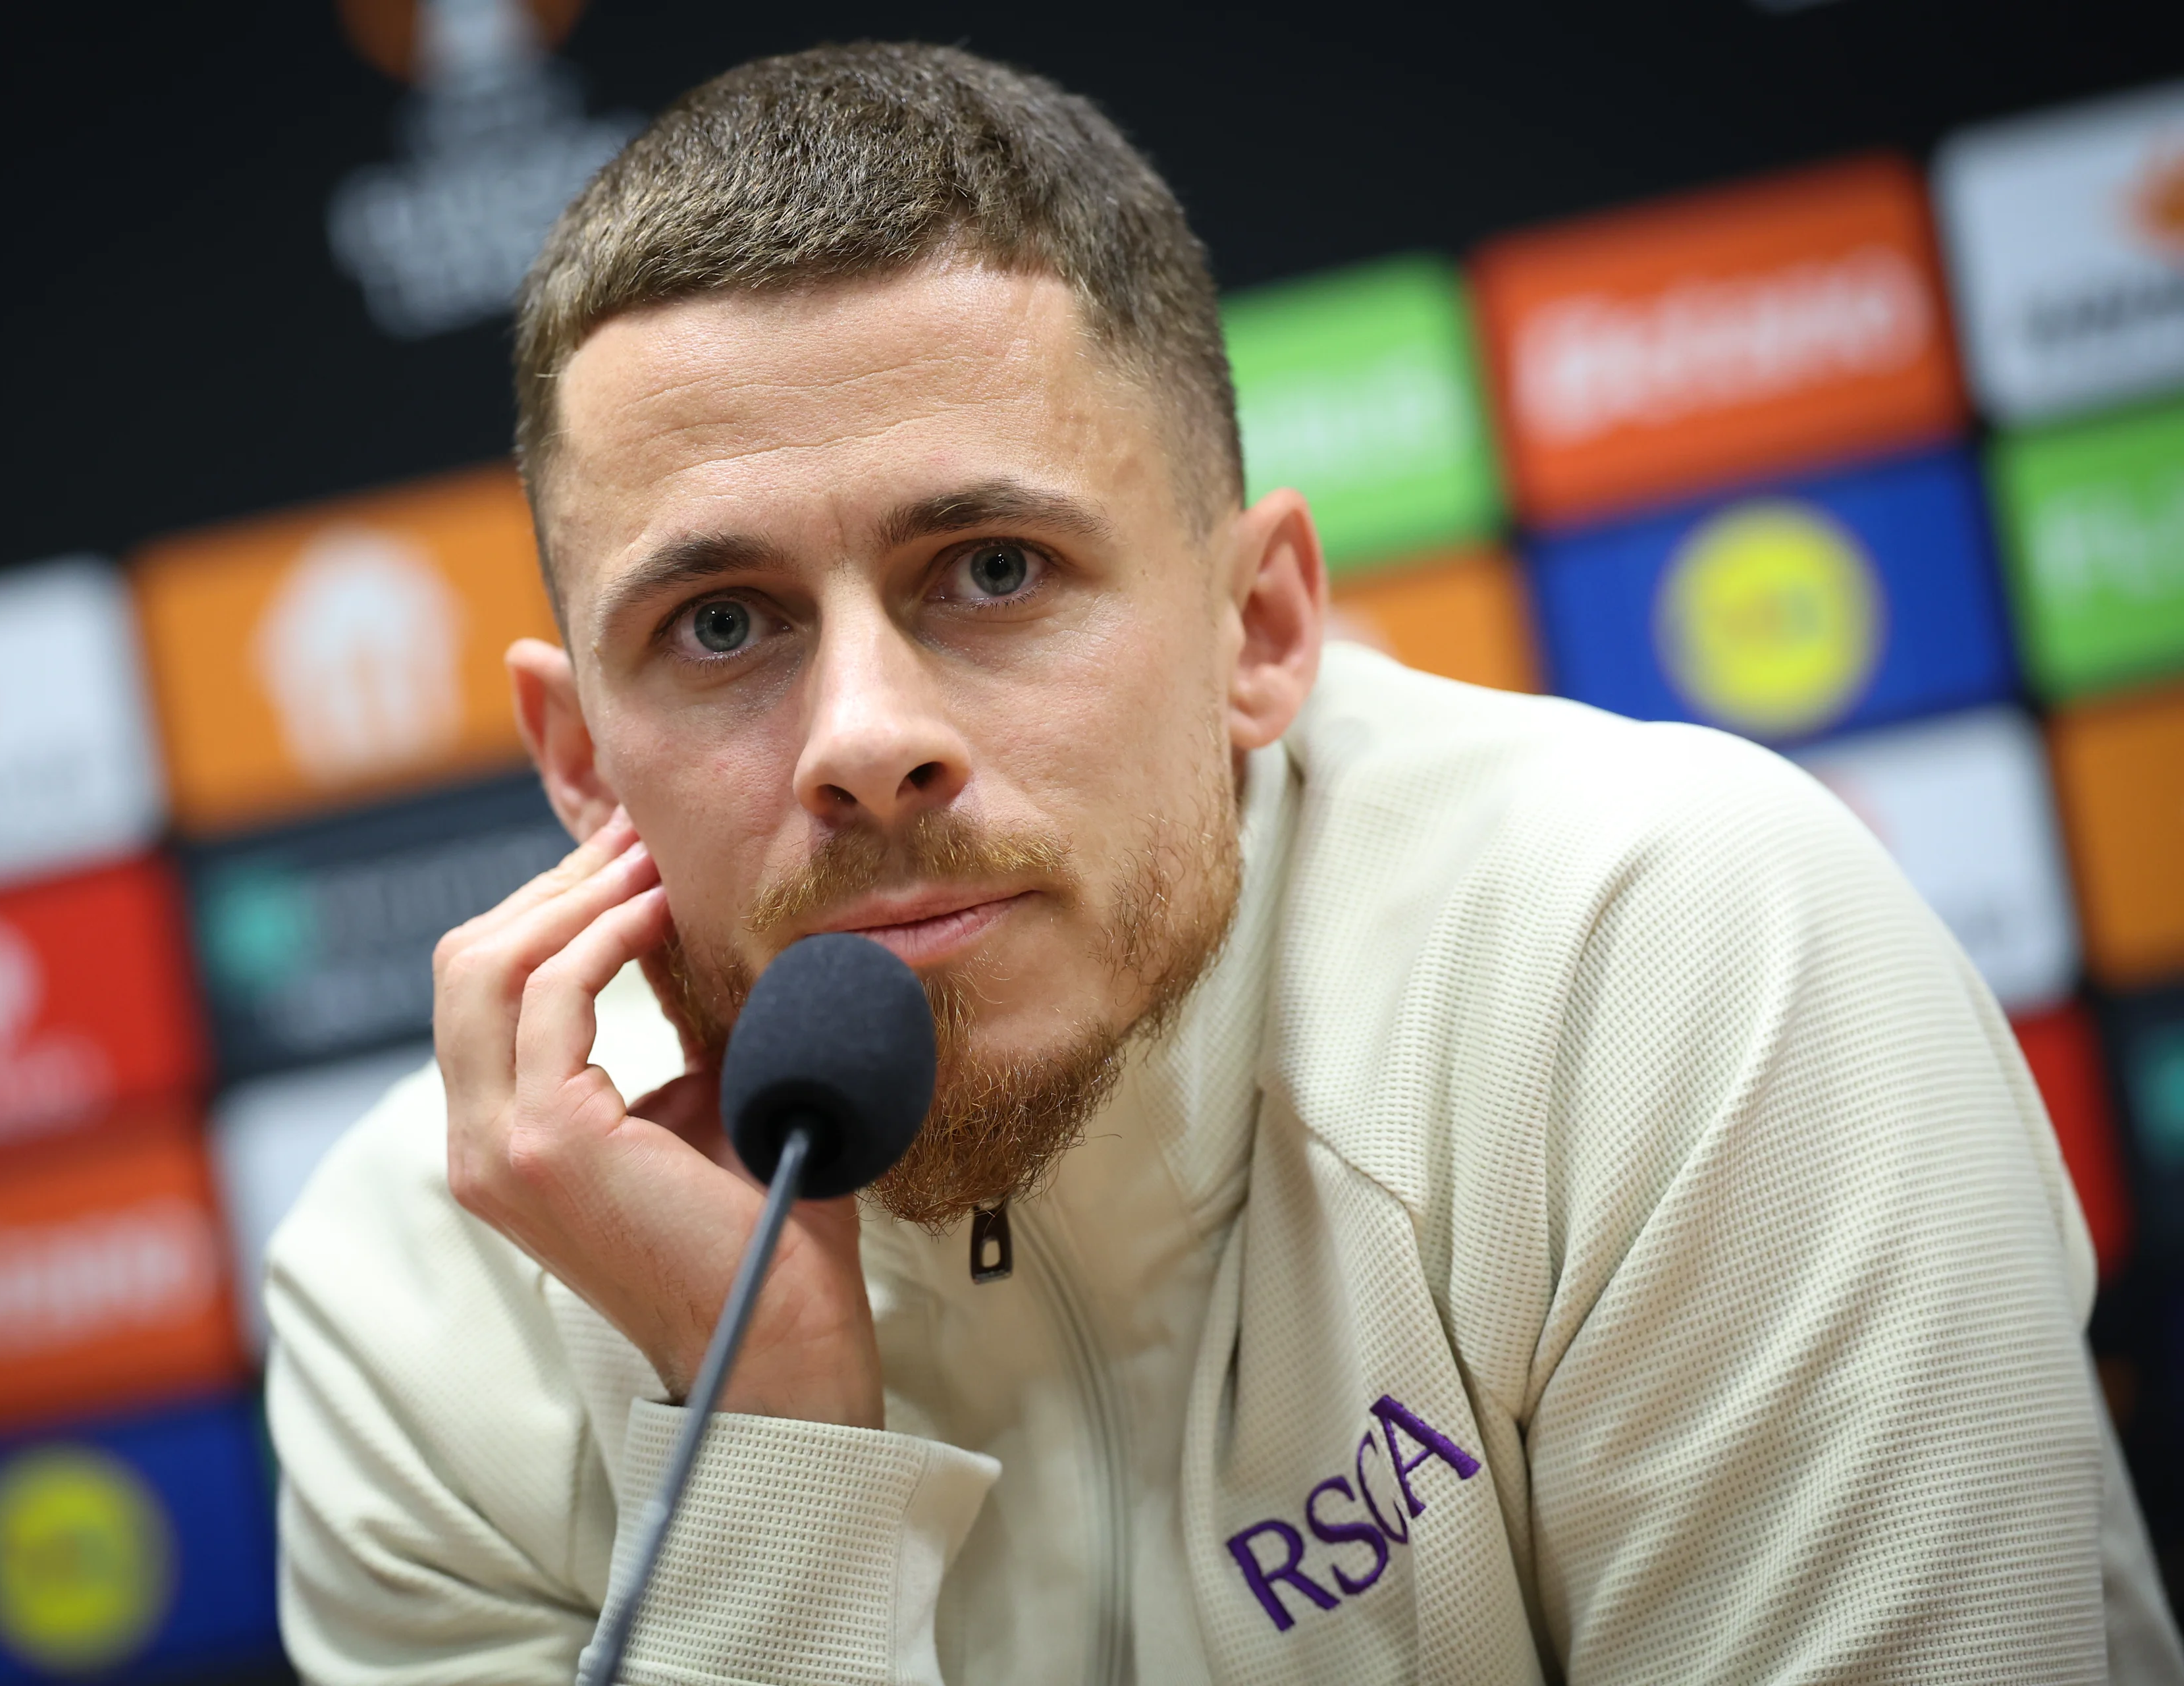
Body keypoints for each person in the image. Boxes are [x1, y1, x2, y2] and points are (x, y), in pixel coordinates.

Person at [264, 41, 2182, 1685]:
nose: (861, 737)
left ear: (1262, 628)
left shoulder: (1664, 955)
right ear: (583, 761)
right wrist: (757, 1454)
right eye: (722, 626)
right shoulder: (420, 1293)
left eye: (993, 570)